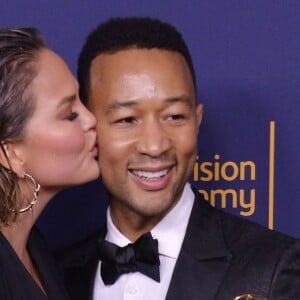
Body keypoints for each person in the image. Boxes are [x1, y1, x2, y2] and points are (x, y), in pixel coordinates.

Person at [60, 17, 300, 300]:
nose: (154, 145)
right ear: (88, 126)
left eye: (175, 117)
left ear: (197, 121)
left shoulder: (273, 269)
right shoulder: (55, 275)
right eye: (127, 119)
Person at [0, 28, 99, 299]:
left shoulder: (35, 246)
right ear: (11, 153)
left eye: (83, 101)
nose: (91, 119)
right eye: (69, 115)